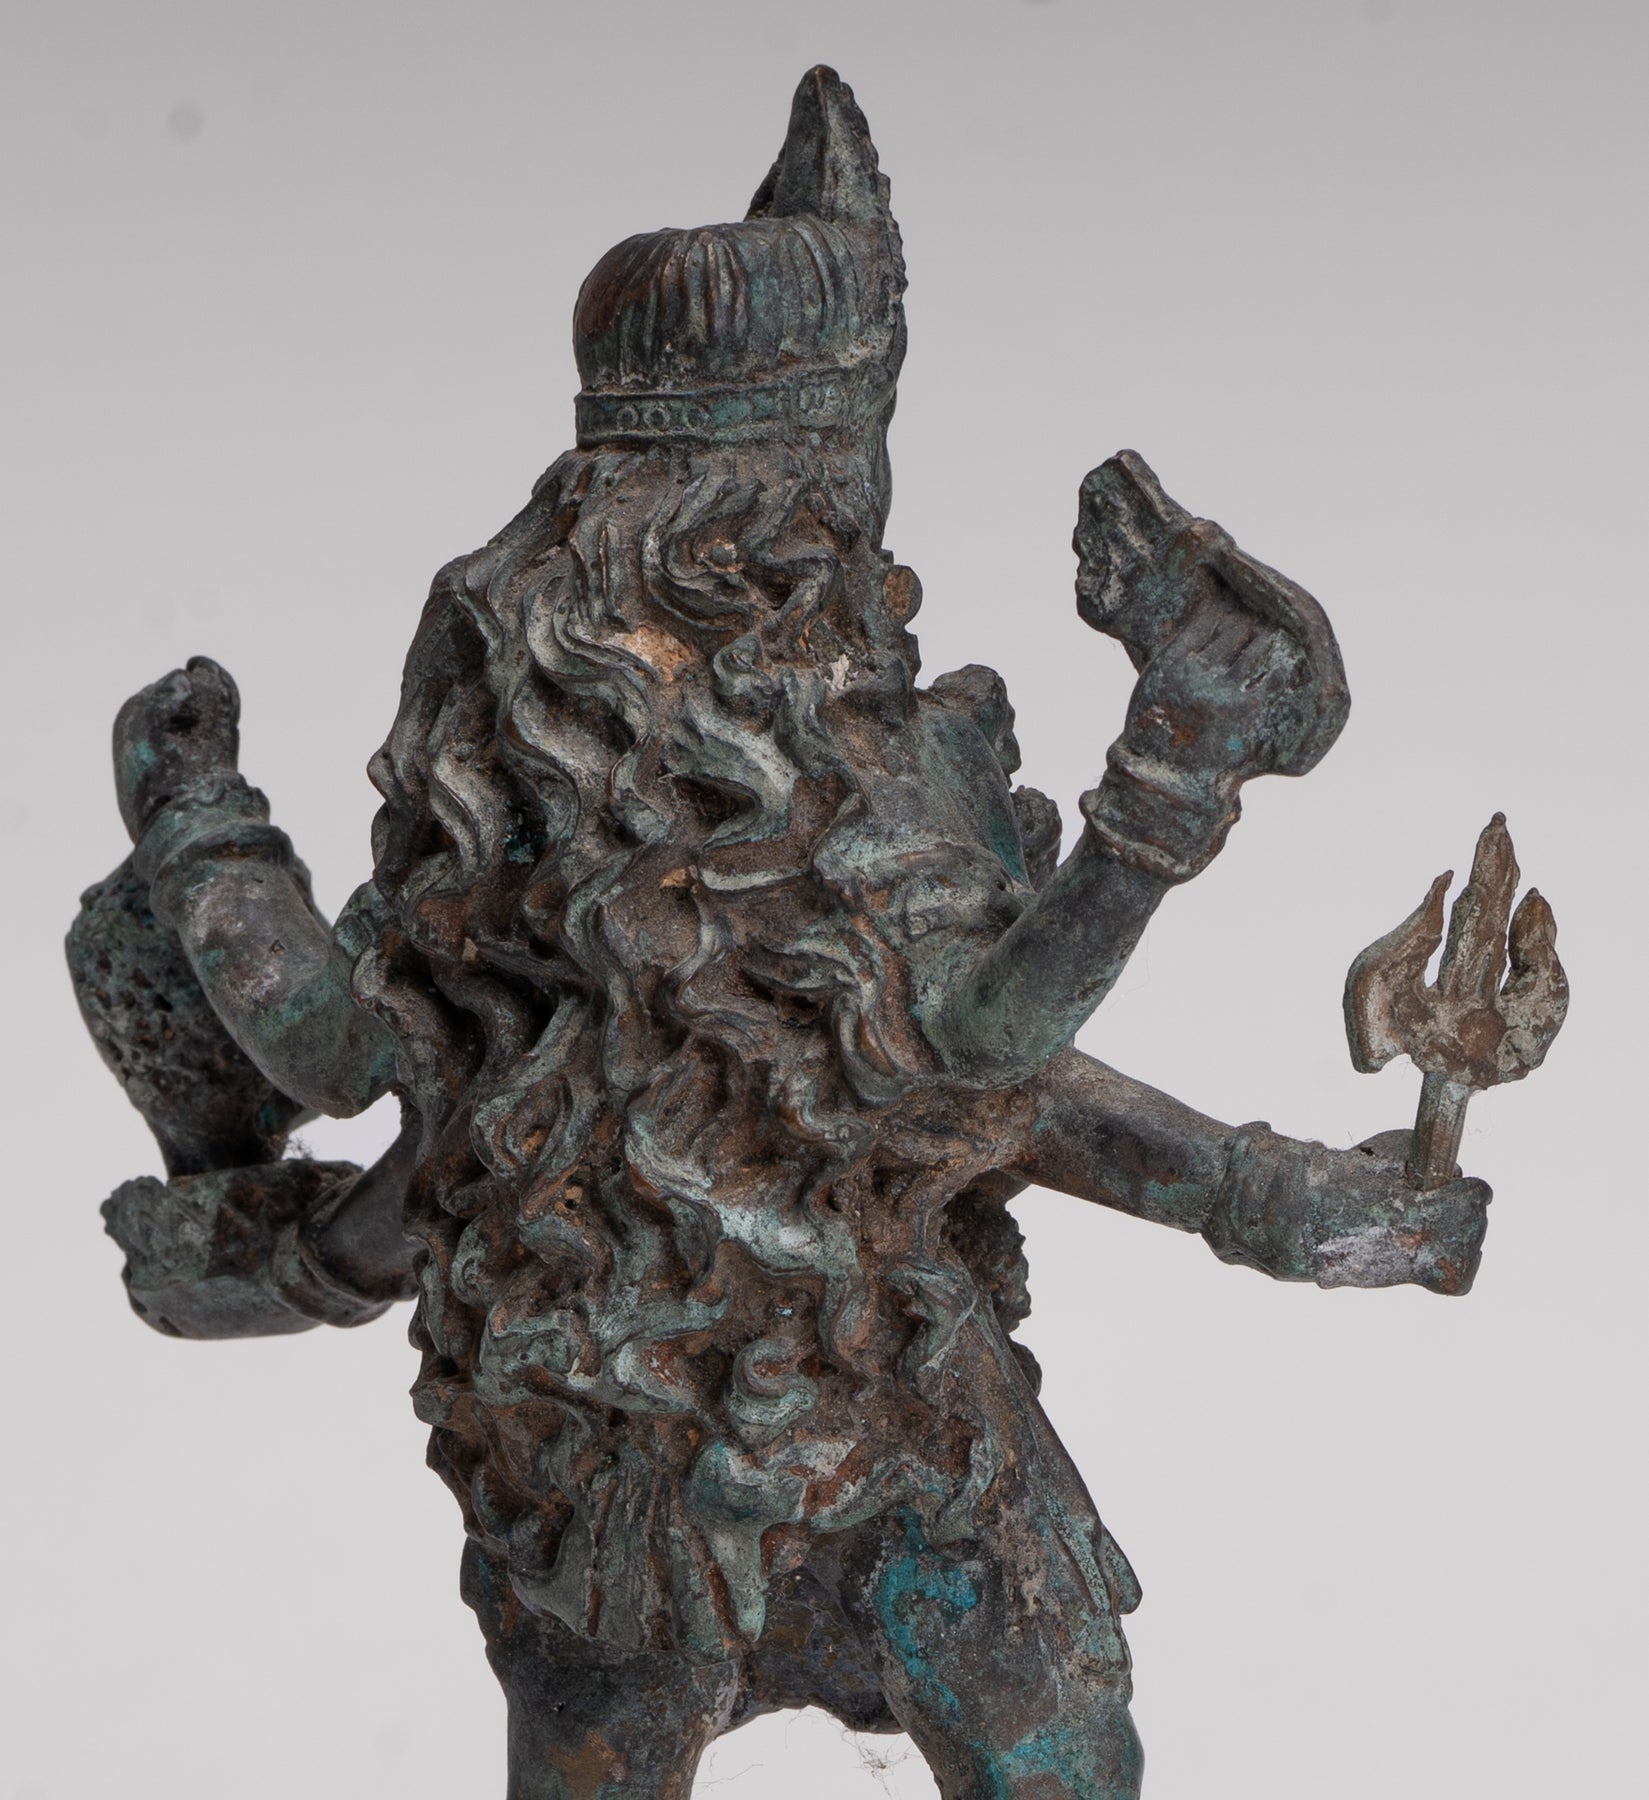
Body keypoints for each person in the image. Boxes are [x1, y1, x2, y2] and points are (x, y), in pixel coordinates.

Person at [69, 67, 1491, 1800]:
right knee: (1044, 1761)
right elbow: (972, 1058)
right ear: (790, 511)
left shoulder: (513, 793)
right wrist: (1170, 787)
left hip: (668, 1444)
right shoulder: (833, 771)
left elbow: (336, 1048)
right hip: (809, 1437)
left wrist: (196, 821)